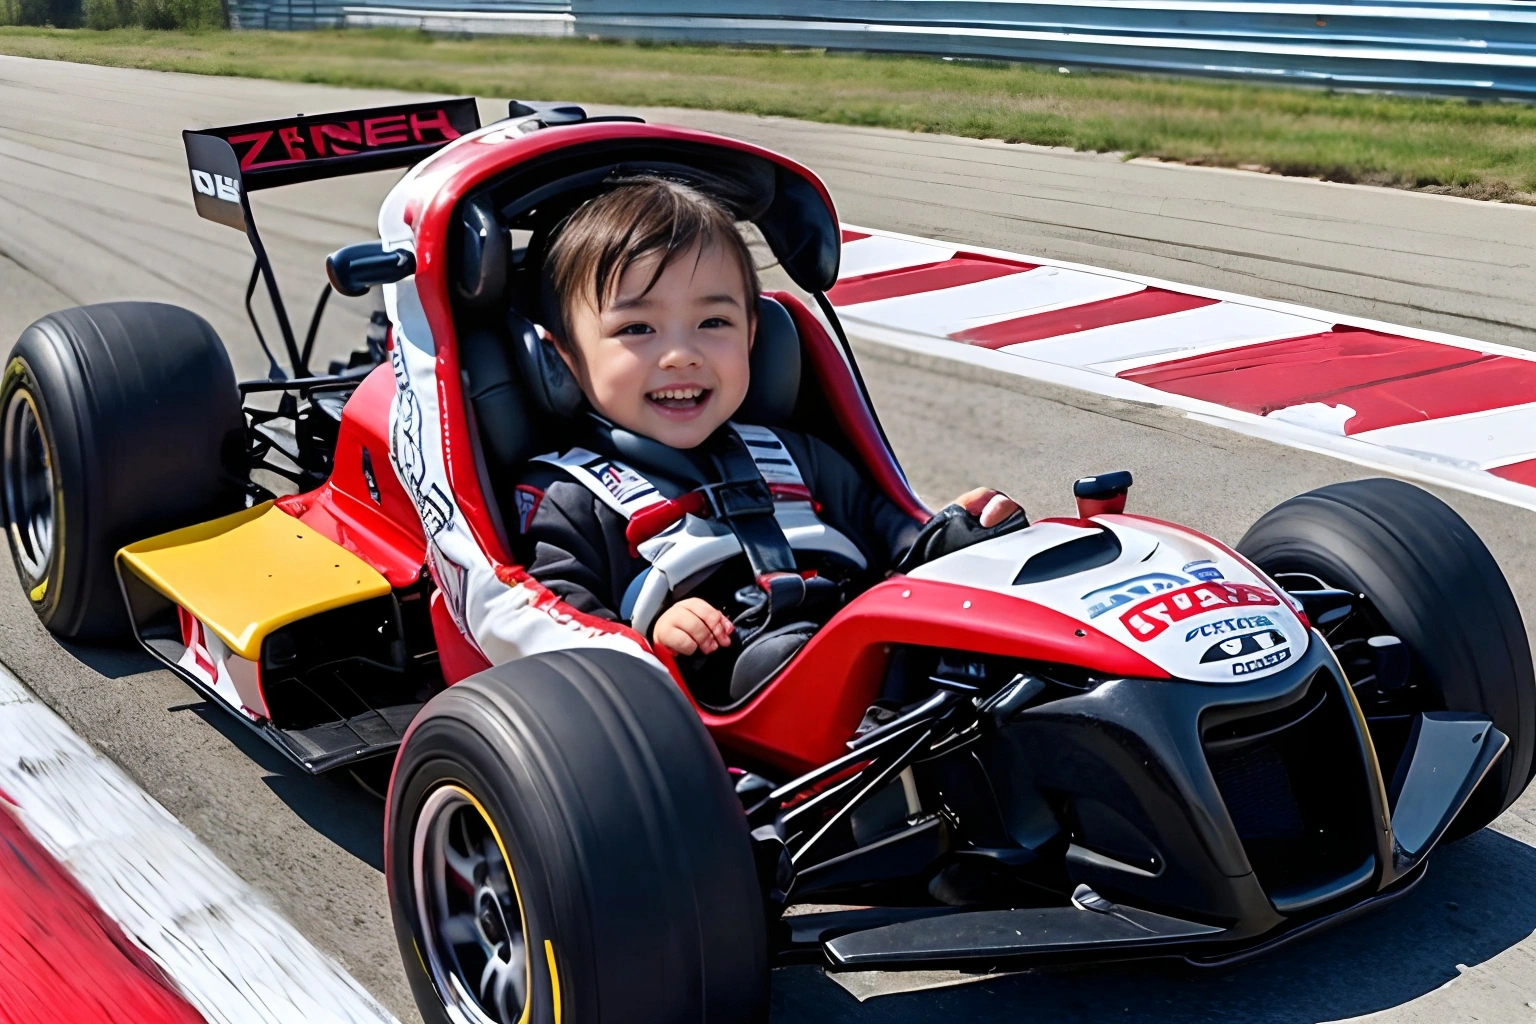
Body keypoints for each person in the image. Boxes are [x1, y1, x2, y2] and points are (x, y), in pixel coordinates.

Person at [511, 177, 1020, 668]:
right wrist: (652, 634)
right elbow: (559, 620)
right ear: (564, 356)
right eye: (637, 327)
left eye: (714, 322)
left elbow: (890, 530)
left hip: (861, 653)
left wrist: (951, 538)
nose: (681, 355)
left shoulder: (796, 456)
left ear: (752, 333)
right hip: (699, 697)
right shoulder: (566, 497)